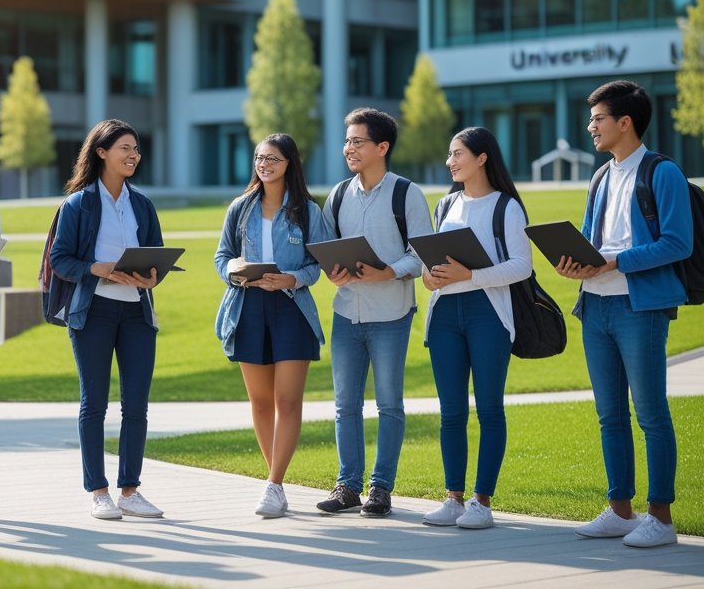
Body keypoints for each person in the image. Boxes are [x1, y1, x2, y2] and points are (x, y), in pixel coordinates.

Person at [556, 80, 691, 549]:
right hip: (595, 305)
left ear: (625, 122)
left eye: (598, 119)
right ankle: (620, 509)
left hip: (639, 307)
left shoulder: (662, 172)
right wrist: (574, 261)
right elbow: (595, 243)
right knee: (609, 414)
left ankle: (661, 517)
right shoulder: (600, 176)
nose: (590, 127)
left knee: (650, 413)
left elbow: (677, 243)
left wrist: (613, 261)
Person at [316, 109, 431, 517]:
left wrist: (389, 271)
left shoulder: (407, 194)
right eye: (347, 141)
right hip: (347, 311)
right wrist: (331, 269)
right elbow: (325, 246)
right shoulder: (339, 194)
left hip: (391, 314)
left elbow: (422, 254)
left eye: (357, 141)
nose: (349, 148)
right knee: (345, 406)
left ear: (382, 147)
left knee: (389, 405)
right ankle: (347, 486)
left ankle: (380, 488)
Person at [49, 119, 165, 521]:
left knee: (136, 404)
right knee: (93, 402)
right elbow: (60, 260)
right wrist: (99, 268)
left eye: (136, 149)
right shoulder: (79, 204)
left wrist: (153, 274)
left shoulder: (142, 205)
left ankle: (130, 491)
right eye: (124, 149)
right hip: (93, 311)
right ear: (101, 152)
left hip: (136, 311)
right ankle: (98, 491)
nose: (133, 155)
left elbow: (157, 260)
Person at [420, 127, 532, 530]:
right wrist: (429, 278)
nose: (450, 162)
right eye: (449, 155)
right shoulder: (445, 204)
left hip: (489, 315)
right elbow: (430, 265)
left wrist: (470, 275)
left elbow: (523, 266)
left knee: (488, 408)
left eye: (457, 154)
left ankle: (481, 501)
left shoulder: (507, 207)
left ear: (482, 158)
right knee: (451, 412)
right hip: (445, 315)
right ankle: (453, 498)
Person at [214, 133, 328, 518]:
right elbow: (222, 257)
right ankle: (274, 483)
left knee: (287, 400)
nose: (264, 165)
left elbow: (320, 263)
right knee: (261, 402)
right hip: (248, 308)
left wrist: (292, 278)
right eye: (260, 158)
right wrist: (235, 272)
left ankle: (274, 484)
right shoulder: (240, 208)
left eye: (273, 159)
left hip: (291, 309)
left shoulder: (308, 211)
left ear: (290, 164)